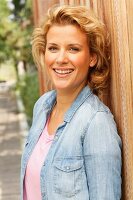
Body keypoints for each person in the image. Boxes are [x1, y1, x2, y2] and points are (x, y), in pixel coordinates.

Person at [20, 5, 122, 200]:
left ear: (92, 57)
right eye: (53, 48)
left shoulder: (96, 124)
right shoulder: (42, 107)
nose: (60, 59)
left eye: (73, 49)